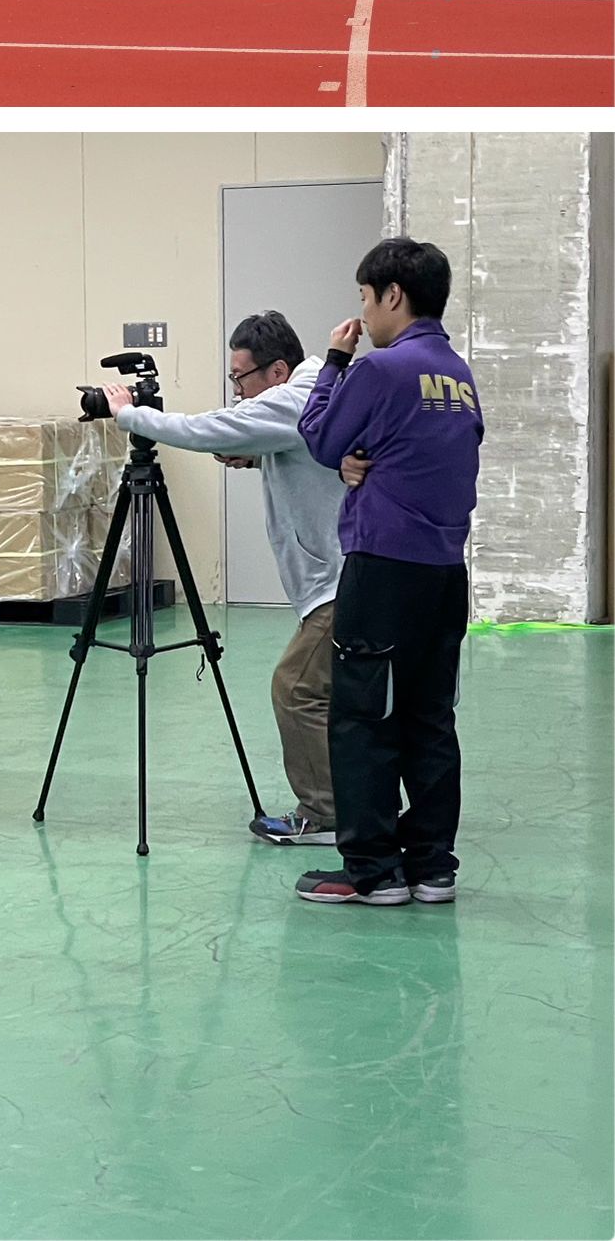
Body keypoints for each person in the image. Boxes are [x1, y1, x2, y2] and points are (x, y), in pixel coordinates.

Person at [100, 311, 344, 844]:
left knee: (296, 687)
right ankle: (351, 806)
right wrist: (258, 459)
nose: (239, 393)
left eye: (241, 378)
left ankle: (325, 815)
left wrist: (130, 416)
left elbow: (204, 427)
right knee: (334, 693)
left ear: (276, 370)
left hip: (339, 584)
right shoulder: (311, 391)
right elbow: (310, 456)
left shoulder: (292, 399)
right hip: (343, 574)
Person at [291, 237, 484, 906]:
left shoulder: (380, 368)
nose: (362, 312)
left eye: (364, 298)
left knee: (363, 714)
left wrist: (335, 359)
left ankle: (371, 868)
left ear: (391, 296)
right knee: (429, 715)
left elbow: (317, 435)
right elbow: (423, 453)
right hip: (442, 574)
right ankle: (431, 864)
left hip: (382, 569)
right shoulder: (456, 375)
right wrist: (361, 461)